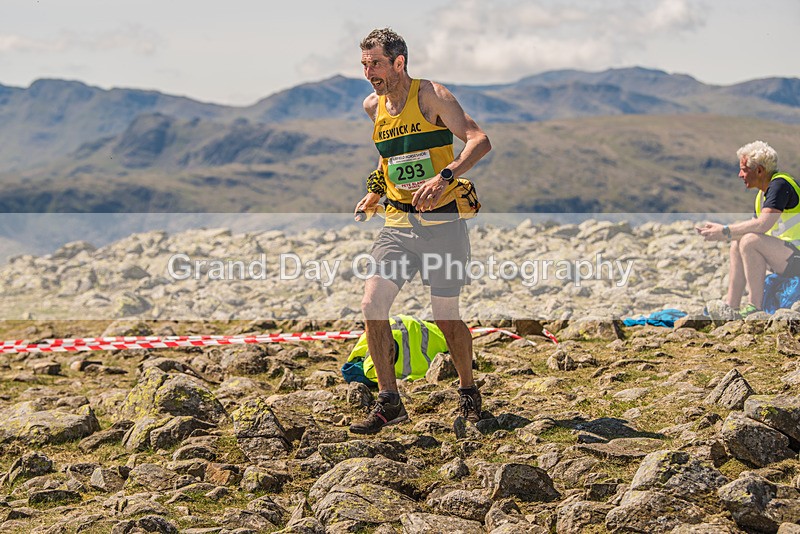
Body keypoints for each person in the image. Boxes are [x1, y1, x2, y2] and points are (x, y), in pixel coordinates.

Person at [349, 28, 491, 434]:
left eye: (375, 63)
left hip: (443, 225)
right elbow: (389, 160)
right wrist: (374, 194)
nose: (369, 72)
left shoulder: (431, 95)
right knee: (372, 305)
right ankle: (390, 402)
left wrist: (445, 176)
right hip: (397, 225)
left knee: (445, 316)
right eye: (364, 64)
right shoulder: (372, 106)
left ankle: (468, 391)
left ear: (399, 62)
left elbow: (479, 141)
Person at [696, 140, 800, 317]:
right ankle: (731, 305)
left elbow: (762, 224)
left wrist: (725, 231)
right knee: (739, 242)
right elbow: (752, 228)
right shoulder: (762, 194)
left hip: (796, 255)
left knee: (749, 241)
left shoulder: (780, 185)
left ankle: (755, 306)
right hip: (786, 256)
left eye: (744, 169)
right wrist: (729, 234)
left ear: (759, 170)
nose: (740, 175)